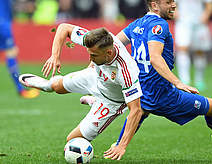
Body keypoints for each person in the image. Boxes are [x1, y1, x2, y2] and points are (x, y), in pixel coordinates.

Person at [99, 0, 212, 154]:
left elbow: (115, 44)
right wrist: (178, 82)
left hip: (140, 89)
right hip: (163, 95)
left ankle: (117, 144)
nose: (174, 5)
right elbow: (155, 57)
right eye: (169, 1)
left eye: (174, 1)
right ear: (155, 5)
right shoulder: (160, 25)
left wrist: (94, 61)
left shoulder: (137, 23)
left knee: (141, 110)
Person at [18, 24, 143, 160]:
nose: (90, 59)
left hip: (111, 102)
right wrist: (55, 56)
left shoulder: (127, 71)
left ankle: (95, 102)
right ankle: (47, 85)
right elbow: (63, 28)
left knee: (72, 140)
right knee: (57, 88)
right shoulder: (97, 40)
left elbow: (136, 110)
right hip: (94, 77)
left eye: (93, 55)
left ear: (108, 53)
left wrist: (122, 145)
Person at [174, 0, 212, 90]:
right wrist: (175, 12)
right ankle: (184, 80)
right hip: (183, 22)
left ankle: (199, 80)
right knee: (183, 49)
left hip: (199, 23)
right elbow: (173, 1)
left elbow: (209, 2)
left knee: (199, 51)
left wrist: (206, 14)